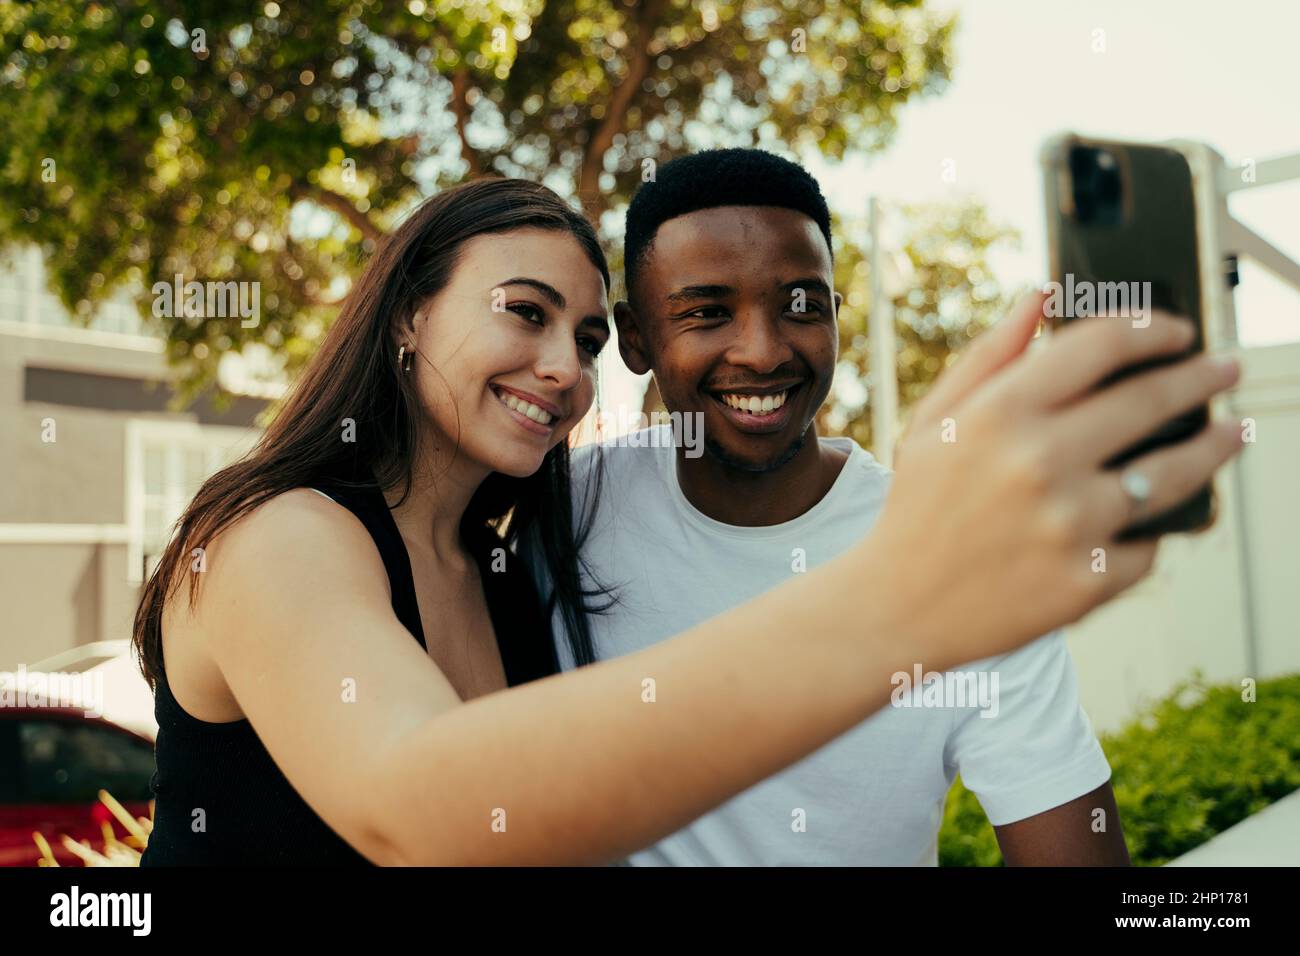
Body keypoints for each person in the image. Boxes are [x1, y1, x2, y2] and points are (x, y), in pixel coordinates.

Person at [135, 174, 1242, 865]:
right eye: (523, 312)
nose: (557, 365)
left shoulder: (508, 545)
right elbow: (421, 811)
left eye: (577, 334)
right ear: (410, 314)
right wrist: (905, 598)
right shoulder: (279, 534)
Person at [536, 147, 1213, 865]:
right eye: (706, 313)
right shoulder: (569, 508)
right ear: (636, 339)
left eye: (801, 305)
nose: (762, 353)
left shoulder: (964, 558)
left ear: (835, 314)